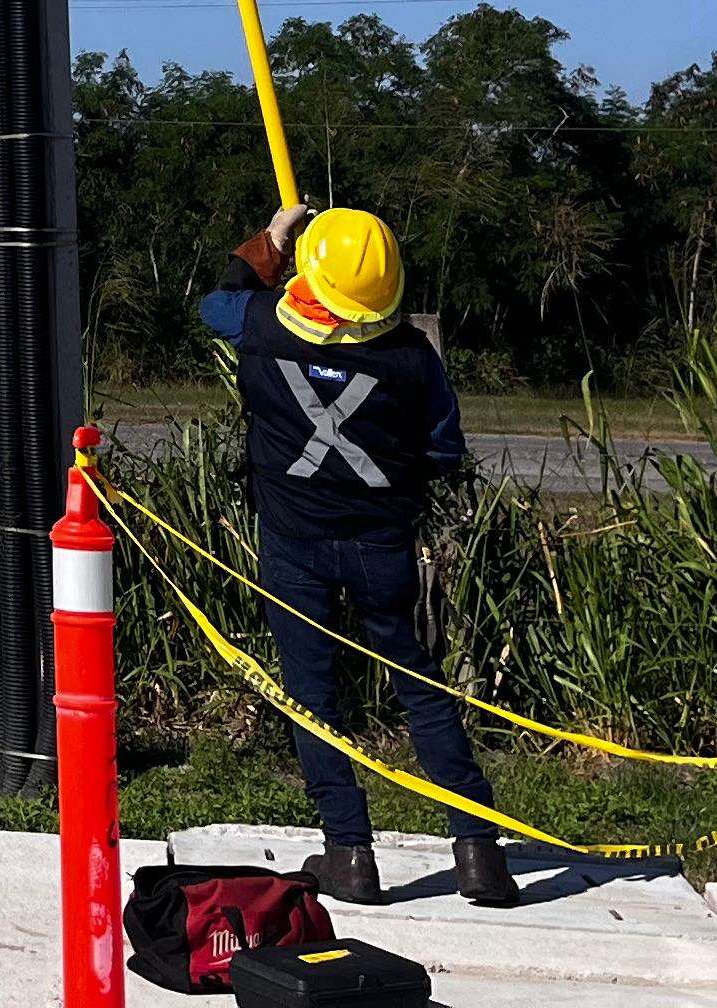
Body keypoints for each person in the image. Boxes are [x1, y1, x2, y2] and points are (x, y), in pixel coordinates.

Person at [196, 196, 517, 910]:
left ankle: (348, 855)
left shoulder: (257, 329)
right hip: (382, 545)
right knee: (420, 689)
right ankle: (479, 852)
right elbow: (442, 450)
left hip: (293, 546)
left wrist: (271, 239)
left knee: (313, 701)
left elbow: (215, 301)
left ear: (309, 268)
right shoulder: (410, 358)